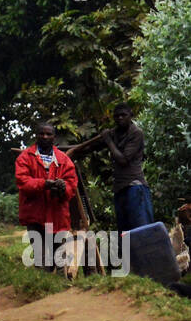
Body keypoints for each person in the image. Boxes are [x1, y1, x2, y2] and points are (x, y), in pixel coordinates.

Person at [75, 104, 154, 233]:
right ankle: (129, 254)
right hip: (120, 188)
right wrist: (71, 151)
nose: (120, 118)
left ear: (131, 116)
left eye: (123, 115)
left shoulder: (136, 133)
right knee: (125, 233)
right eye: (117, 116)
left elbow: (123, 160)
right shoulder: (114, 133)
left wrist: (108, 140)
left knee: (141, 231)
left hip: (135, 187)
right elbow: (90, 147)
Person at [15, 121, 78, 270]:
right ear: (36, 136)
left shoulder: (64, 160)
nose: (45, 136)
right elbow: (23, 182)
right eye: (41, 133)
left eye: (48, 134)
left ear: (54, 137)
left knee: (60, 259)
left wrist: (63, 188)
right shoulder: (25, 157)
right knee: (42, 260)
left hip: (57, 216)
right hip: (35, 217)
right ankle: (43, 289)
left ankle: (64, 289)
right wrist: (44, 184)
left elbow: (71, 185)